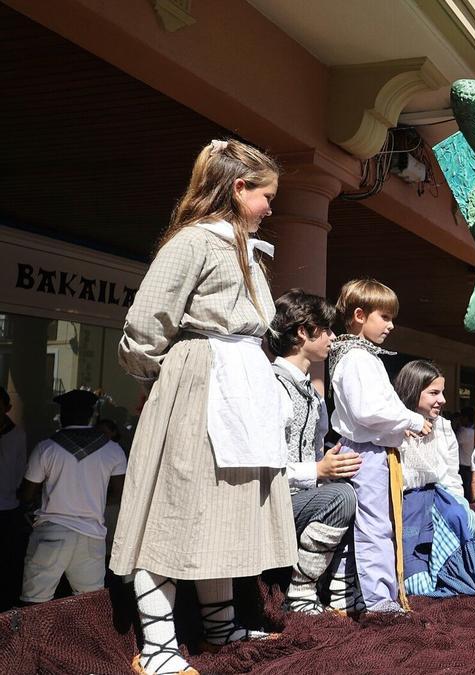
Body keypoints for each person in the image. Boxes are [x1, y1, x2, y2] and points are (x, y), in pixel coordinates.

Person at [111, 138, 294, 675]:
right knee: (174, 510)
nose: (270, 207)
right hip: (201, 382)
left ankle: (218, 627)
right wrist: (163, 377)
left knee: (220, 512)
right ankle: (160, 647)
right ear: (238, 189)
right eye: (266, 195)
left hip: (235, 387)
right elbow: (146, 324)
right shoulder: (193, 243)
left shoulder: (241, 248)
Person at [327, 278, 431, 614]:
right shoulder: (357, 358)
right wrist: (411, 421)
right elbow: (368, 409)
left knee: (366, 527)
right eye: (384, 317)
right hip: (366, 451)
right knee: (376, 527)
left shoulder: (357, 356)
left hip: (369, 449)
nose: (390, 325)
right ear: (359, 315)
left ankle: (351, 596)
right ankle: (380, 601)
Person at [268, 289, 363, 616]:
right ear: (302, 332)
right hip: (269, 500)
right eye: (326, 329)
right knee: (342, 496)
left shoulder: (312, 392)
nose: (334, 338)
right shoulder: (270, 384)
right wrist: (320, 471)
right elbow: (263, 464)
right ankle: (302, 592)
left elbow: (318, 449)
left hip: (304, 499)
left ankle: (338, 588)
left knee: (359, 491)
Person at [392, 360, 475, 597]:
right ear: (413, 390)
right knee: (418, 586)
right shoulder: (391, 427)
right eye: (434, 392)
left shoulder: (443, 427)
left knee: (462, 515)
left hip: (439, 502)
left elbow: (451, 476)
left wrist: (460, 506)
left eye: (441, 392)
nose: (442, 400)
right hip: (405, 507)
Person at [18, 389, 126, 604]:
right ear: (92, 415)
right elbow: (119, 493)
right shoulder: (113, 450)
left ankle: (37, 639)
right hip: (91, 535)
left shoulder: (46, 448)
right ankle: (80, 639)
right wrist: (92, 499)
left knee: (34, 603)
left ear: (62, 415)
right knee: (89, 605)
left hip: (52, 531)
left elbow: (26, 494)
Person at [0, 386, 28, 611]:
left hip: (8, 504)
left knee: (6, 556)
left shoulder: (17, 434)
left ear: (8, 408)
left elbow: (21, 466)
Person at [455, 407, 475, 496]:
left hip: (464, 466)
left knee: (465, 491)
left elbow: (454, 442)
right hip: (471, 465)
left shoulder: (464, 431)